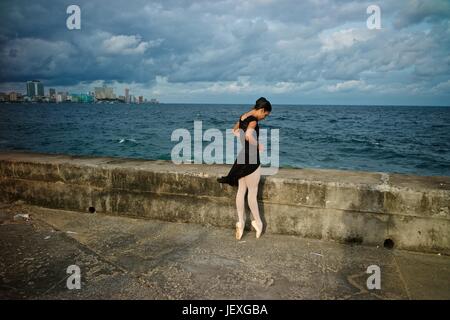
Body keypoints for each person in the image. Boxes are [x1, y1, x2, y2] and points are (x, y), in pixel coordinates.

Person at [217, 97, 272, 240]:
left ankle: (240, 222)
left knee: (241, 191)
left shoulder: (243, 117)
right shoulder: (254, 119)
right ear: (261, 110)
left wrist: (242, 139)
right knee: (252, 193)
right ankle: (258, 223)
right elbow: (248, 135)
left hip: (242, 158)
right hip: (252, 159)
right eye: (265, 115)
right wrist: (258, 145)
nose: (264, 118)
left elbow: (234, 131)